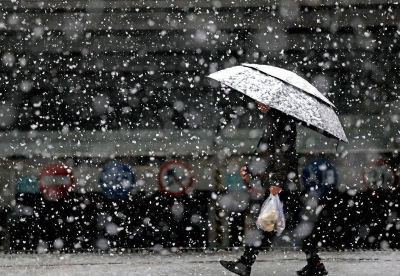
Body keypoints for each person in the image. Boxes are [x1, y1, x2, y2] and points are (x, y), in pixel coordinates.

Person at [220, 101, 328, 276]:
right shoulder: (274, 118)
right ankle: (315, 263)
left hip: (281, 184)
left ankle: (245, 263)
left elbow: (284, 154)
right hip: (282, 183)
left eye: (260, 101)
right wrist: (249, 168)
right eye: (255, 101)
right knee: (289, 223)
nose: (257, 103)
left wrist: (277, 182)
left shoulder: (282, 119)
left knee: (266, 223)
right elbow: (265, 150)